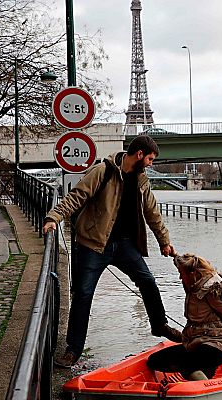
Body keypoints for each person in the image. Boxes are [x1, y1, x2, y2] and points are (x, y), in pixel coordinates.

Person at [43, 135, 181, 368]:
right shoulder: (103, 171)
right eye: (150, 159)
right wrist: (53, 217)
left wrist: (164, 241)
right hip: (93, 244)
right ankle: (73, 349)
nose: (150, 164)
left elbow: (152, 213)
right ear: (139, 154)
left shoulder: (141, 180)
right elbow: (77, 196)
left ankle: (159, 325)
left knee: (147, 281)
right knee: (83, 294)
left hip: (125, 245)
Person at [147, 253, 222, 381]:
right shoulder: (192, 284)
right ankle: (203, 373)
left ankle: (204, 386)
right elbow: (181, 261)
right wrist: (172, 253)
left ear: (192, 274)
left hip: (215, 347)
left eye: (181, 274)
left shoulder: (211, 292)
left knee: (185, 364)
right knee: (154, 361)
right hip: (196, 344)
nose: (180, 277)